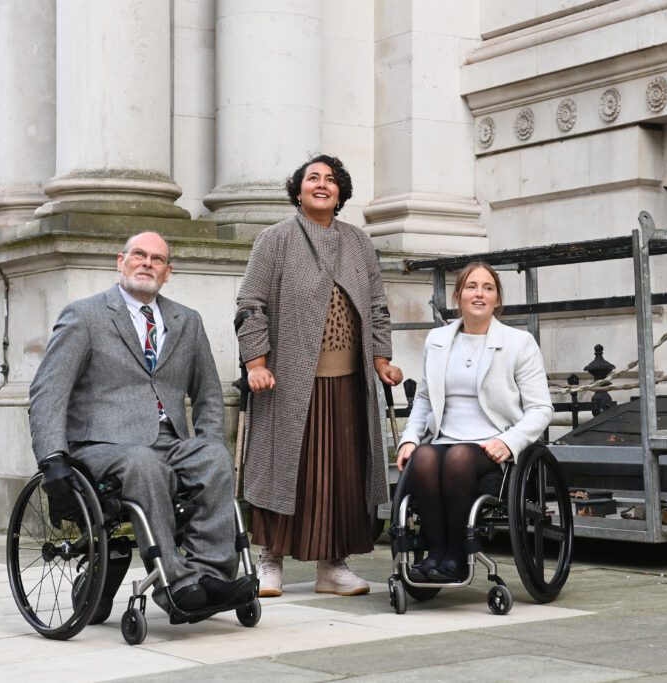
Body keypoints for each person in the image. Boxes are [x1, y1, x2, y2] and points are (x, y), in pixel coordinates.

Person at [29, 231, 250, 619]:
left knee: (215, 458)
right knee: (143, 463)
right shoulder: (85, 316)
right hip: (101, 446)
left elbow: (209, 394)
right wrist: (51, 458)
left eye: (157, 259)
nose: (147, 263)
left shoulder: (188, 321)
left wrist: (211, 440)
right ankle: (176, 584)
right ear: (121, 261)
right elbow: (49, 390)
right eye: (138, 255)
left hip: (170, 442)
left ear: (168, 271)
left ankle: (212, 576)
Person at [236, 154, 402, 597]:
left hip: (348, 383)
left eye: (331, 179)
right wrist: (256, 363)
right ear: (298, 190)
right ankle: (270, 560)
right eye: (313, 178)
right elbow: (250, 304)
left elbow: (377, 306)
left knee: (342, 474)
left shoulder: (359, 242)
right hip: (288, 381)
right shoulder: (275, 240)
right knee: (284, 469)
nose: (322, 185)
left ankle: (333, 566)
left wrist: (382, 360)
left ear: (341, 192)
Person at [395, 261, 553, 582]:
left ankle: (457, 556)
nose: (479, 294)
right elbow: (424, 398)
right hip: (444, 440)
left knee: (458, 457)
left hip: (492, 445)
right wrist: (410, 438)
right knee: (422, 457)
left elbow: (540, 408)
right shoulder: (437, 340)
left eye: (488, 288)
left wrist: (509, 442)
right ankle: (436, 553)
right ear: (458, 296)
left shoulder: (519, 343)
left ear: (497, 300)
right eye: (471, 287)